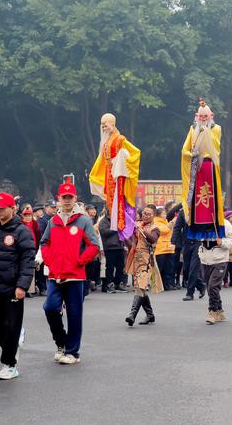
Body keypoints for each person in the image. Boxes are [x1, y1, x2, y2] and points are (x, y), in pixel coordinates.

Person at [41, 182, 100, 365]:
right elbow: (44, 243)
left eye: (70, 197)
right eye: (63, 197)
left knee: (74, 314)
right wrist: (50, 262)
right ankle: (61, 342)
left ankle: (73, 352)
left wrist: (79, 261)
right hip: (55, 275)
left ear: (75, 199)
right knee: (50, 307)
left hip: (75, 277)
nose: (66, 201)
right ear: (59, 199)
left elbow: (94, 246)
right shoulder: (53, 221)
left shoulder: (83, 221)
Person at [0, 193, 35, 379]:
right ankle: (12, 341)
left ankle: (9, 365)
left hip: (12, 288)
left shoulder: (22, 232)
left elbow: (28, 261)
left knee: (11, 326)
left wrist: (22, 285)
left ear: (13, 208)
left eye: (2, 207)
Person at [89, 112, 141, 240]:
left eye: (105, 124)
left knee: (119, 200)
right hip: (108, 174)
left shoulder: (120, 139)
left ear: (112, 124)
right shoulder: (106, 140)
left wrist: (120, 159)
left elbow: (135, 152)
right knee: (110, 201)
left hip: (117, 175)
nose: (103, 127)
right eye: (101, 125)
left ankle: (123, 226)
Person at [180, 98, 225, 241]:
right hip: (196, 166)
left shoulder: (216, 129)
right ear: (196, 116)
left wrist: (205, 133)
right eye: (201, 116)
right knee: (195, 198)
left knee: (211, 197)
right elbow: (184, 150)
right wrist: (192, 154)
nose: (203, 119)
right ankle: (194, 228)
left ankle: (214, 227)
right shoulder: (193, 129)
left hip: (209, 165)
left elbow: (215, 148)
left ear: (211, 116)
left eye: (206, 116)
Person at [125, 205, 162, 326]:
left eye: (148, 214)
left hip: (147, 261)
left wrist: (142, 230)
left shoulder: (155, 228)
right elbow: (131, 243)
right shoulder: (137, 225)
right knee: (139, 287)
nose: (145, 216)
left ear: (153, 216)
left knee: (140, 286)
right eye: (144, 213)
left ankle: (132, 315)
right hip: (136, 259)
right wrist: (126, 235)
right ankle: (150, 315)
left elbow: (152, 239)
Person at [199, 215, 232, 325]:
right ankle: (220, 310)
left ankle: (213, 311)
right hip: (205, 259)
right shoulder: (201, 223)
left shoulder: (225, 224)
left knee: (213, 286)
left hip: (220, 260)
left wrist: (222, 242)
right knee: (210, 287)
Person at [99, 209, 127, 293]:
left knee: (120, 267)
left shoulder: (119, 220)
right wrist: (115, 228)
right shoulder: (103, 221)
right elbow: (104, 232)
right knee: (110, 268)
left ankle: (118, 284)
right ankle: (109, 285)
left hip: (120, 247)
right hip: (109, 248)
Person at [154, 207, 176, 290]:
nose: (165, 215)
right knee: (160, 268)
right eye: (163, 213)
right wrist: (171, 223)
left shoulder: (166, 222)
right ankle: (158, 285)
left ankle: (167, 284)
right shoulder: (155, 222)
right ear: (159, 215)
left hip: (168, 248)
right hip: (160, 249)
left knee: (168, 268)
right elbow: (164, 230)